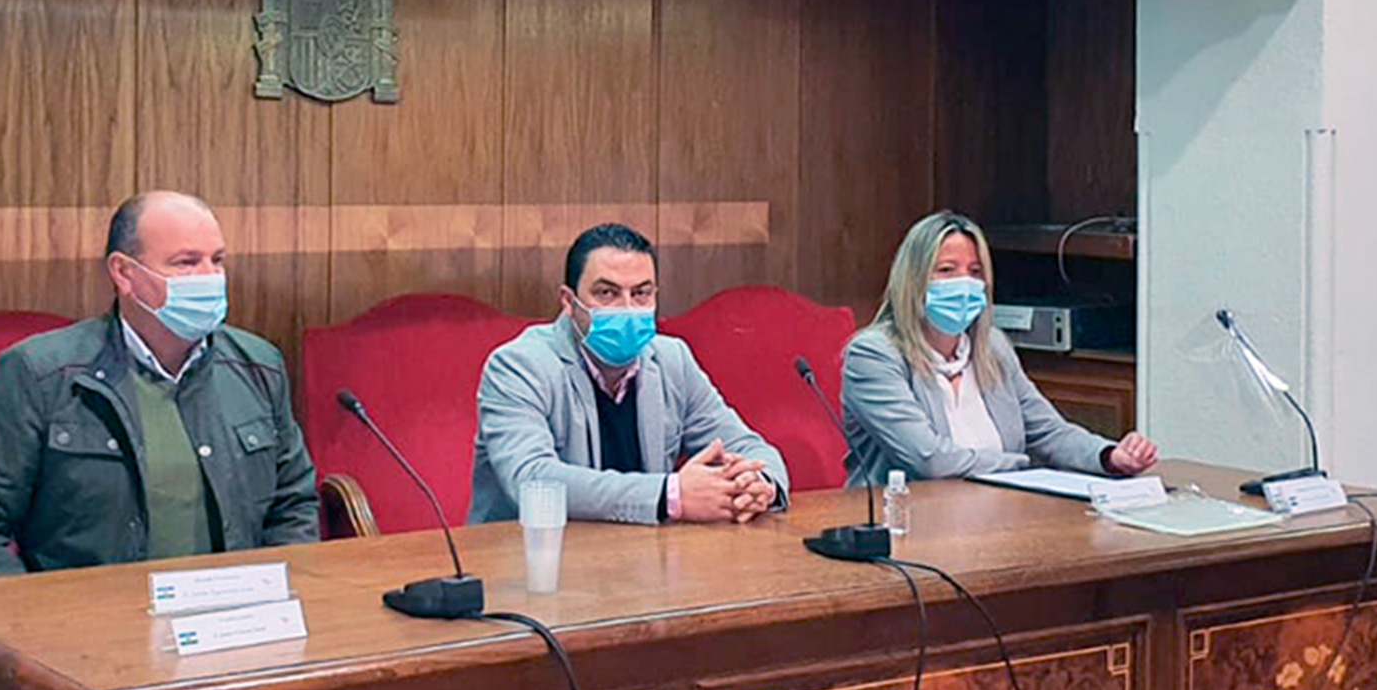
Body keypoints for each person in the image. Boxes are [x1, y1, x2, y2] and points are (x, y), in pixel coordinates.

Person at [0, 191, 318, 578]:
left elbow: (294, 505)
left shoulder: (257, 365)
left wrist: (273, 593)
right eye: (185, 263)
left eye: (217, 260)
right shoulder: (39, 374)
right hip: (88, 626)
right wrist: (30, 629)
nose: (209, 277)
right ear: (124, 273)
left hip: (233, 621)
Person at [468, 223, 789, 525]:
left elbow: (750, 448)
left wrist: (757, 485)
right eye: (607, 294)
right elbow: (533, 480)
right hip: (532, 565)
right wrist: (668, 496)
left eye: (641, 294)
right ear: (569, 302)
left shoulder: (671, 360)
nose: (627, 309)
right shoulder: (518, 366)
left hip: (643, 563)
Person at [842, 210, 1158, 484]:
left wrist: (1109, 456)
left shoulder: (991, 347)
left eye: (975, 272)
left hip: (996, 518)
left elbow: (1048, 432)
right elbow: (930, 460)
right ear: (913, 280)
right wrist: (1020, 465)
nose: (964, 283)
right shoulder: (874, 355)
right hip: (905, 527)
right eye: (946, 270)